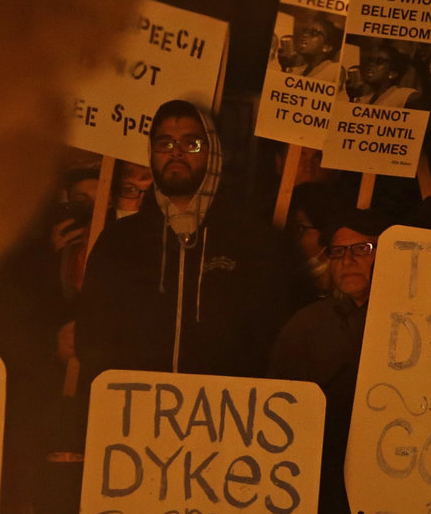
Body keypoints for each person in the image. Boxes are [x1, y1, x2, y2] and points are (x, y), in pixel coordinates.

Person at [76, 100, 298, 381]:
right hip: (134, 412)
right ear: (151, 152)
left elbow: (274, 339)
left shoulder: (254, 241)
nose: (176, 152)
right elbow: (93, 338)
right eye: (165, 144)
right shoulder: (119, 241)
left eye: (191, 143)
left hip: (223, 413)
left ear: (213, 153)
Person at [269, 209, 387, 514]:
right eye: (338, 252)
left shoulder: (411, 326)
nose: (350, 260)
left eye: (363, 249)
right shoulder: (303, 329)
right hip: (322, 505)